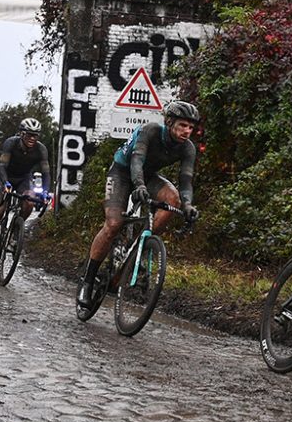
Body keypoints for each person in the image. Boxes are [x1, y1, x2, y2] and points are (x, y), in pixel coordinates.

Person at [76, 101, 200, 307]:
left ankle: (139, 246)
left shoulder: (188, 148)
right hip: (122, 173)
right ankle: (87, 281)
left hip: (150, 176)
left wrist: (187, 205)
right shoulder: (150, 131)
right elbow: (136, 161)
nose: (187, 131)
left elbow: (186, 180)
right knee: (113, 225)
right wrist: (139, 185)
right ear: (169, 123)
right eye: (182, 125)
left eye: (191, 127)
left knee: (174, 200)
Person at [0, 119, 52, 268]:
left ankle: (14, 232)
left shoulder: (41, 149)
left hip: (23, 179)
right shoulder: (10, 143)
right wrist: (6, 183)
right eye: (29, 135)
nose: (32, 138)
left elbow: (46, 173)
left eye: (36, 135)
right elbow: (1, 167)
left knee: (29, 203)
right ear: (21, 134)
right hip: (5, 176)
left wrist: (45, 191)